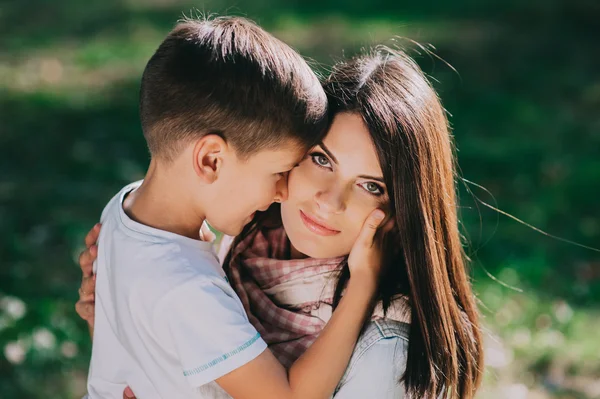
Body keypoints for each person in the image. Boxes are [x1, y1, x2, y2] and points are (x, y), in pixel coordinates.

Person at [78, 46, 484, 398]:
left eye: (371, 186)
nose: (329, 200)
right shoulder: (245, 245)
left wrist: (363, 285)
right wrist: (122, 319)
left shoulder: (387, 351)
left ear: (402, 210)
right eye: (321, 159)